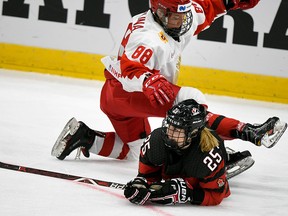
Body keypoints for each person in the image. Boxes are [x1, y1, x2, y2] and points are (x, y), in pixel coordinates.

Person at [51, 0, 287, 161]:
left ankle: (84, 137)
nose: (184, 21)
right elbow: (129, 67)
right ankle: (246, 133)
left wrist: (227, 2)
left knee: (138, 153)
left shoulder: (174, 15)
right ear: (161, 13)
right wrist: (148, 80)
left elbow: (205, 6)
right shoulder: (148, 38)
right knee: (190, 102)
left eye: (184, 15)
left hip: (115, 97)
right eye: (177, 17)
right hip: (129, 93)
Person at [124, 99, 231, 206]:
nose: (169, 133)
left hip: (204, 166)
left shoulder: (207, 156)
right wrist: (140, 184)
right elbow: (148, 177)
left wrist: (189, 194)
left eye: (177, 130)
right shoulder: (155, 141)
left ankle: (229, 157)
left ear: (192, 133)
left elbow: (217, 195)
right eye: (170, 126)